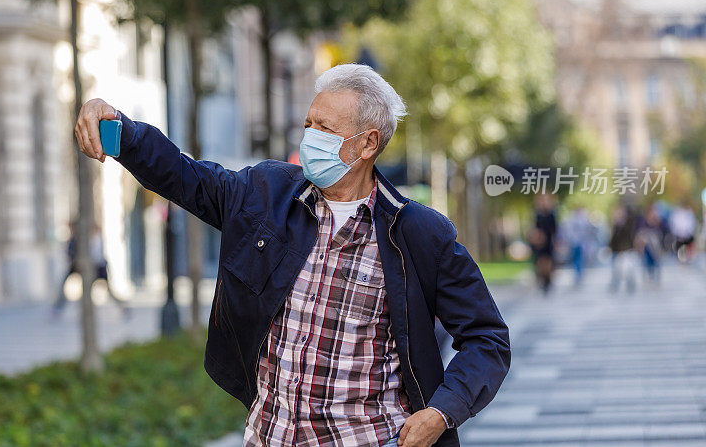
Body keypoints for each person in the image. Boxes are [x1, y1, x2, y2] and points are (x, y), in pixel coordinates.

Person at [75, 64, 510, 447]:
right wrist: (122, 131)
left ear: (367, 144)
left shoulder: (418, 234)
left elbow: (487, 340)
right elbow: (185, 176)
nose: (309, 139)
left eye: (324, 128)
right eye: (308, 124)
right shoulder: (266, 194)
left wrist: (440, 413)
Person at [52, 222, 131, 319]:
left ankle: (123, 307)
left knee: (108, 290)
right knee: (64, 286)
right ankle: (58, 308)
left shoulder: (94, 239)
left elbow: (98, 256)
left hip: (97, 268)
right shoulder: (77, 239)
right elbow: (70, 253)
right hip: (78, 266)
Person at [608, 203, 640, 294]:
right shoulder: (616, 225)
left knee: (630, 271)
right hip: (617, 251)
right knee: (616, 271)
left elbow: (630, 236)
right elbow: (613, 238)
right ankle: (615, 286)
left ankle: (631, 286)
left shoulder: (629, 224)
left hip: (628, 250)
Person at [529, 194, 557, 294]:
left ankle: (547, 280)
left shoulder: (552, 214)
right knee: (540, 262)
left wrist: (556, 242)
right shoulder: (537, 214)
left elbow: (555, 230)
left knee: (548, 262)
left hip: (549, 241)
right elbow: (535, 228)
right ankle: (542, 280)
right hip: (539, 241)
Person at [636, 204, 663, 286]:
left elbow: (664, 235)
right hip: (646, 248)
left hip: (657, 249)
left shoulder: (659, 223)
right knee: (646, 264)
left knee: (657, 265)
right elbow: (639, 234)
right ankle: (647, 280)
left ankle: (656, 281)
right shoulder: (643, 223)